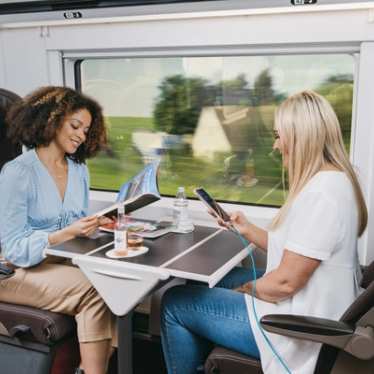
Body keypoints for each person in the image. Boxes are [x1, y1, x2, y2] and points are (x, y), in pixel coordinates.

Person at [160, 90, 367, 374]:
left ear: (299, 137)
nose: (275, 145)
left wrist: (246, 291)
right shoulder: (336, 180)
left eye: (279, 136)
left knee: (175, 303)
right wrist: (246, 229)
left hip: (298, 328)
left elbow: (285, 284)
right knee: (209, 284)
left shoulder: (323, 194)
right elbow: (300, 250)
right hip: (310, 305)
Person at [0, 86, 116, 374]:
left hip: (58, 260)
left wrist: (94, 226)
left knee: (117, 279)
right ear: (50, 120)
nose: (81, 135)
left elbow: (73, 222)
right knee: (97, 291)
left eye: (86, 130)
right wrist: (65, 234)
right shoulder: (18, 172)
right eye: (75, 125)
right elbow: (14, 248)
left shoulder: (79, 170)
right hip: (16, 269)